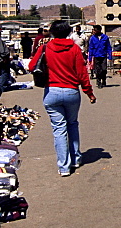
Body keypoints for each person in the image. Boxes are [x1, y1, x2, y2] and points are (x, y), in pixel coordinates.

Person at [29, 21, 96, 176]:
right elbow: (82, 74)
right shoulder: (74, 49)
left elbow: (32, 66)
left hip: (52, 92)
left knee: (59, 129)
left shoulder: (45, 48)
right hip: (72, 92)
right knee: (72, 124)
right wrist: (89, 93)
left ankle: (64, 167)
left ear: (52, 32)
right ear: (68, 32)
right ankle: (76, 159)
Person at [86, 25, 112, 89]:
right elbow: (91, 48)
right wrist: (90, 58)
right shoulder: (92, 38)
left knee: (104, 69)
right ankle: (98, 82)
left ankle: (104, 79)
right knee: (97, 70)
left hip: (103, 56)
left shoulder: (105, 37)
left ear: (99, 30)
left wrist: (110, 56)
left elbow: (108, 47)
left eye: (95, 30)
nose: (94, 31)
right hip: (96, 56)